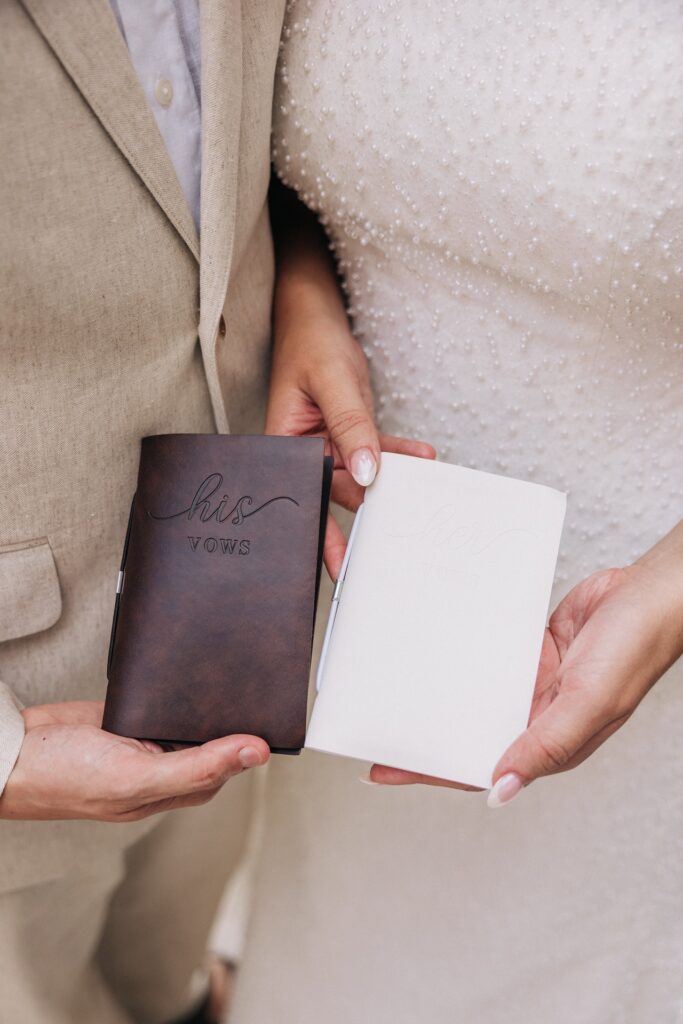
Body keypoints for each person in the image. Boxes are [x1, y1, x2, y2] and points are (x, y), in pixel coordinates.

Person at [228, 3, 683, 1022]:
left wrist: (673, 591)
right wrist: (304, 298)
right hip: (361, 616)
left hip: (632, 633)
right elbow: (258, 157)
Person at [0, 3, 425, 1022]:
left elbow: (257, 156)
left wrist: (304, 299)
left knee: (172, 986)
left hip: (252, 627)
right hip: (25, 707)